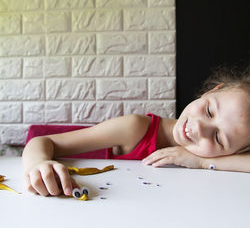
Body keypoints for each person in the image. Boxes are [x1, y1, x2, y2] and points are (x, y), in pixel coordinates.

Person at [22, 66, 250, 197]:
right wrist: (37, 165)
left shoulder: (208, 157)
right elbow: (42, 141)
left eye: (219, 138)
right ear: (212, 90)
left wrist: (200, 162)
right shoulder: (136, 128)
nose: (200, 127)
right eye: (210, 111)